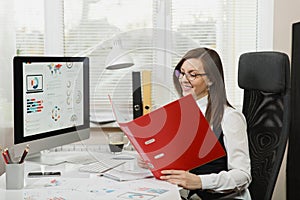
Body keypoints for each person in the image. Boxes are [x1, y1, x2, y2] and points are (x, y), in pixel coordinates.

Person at [138, 47, 251, 200]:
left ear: (211, 79)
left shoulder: (229, 117)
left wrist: (199, 181)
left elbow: (243, 176)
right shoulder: (180, 114)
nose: (184, 79)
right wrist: (153, 161)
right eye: (182, 72)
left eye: (193, 75)